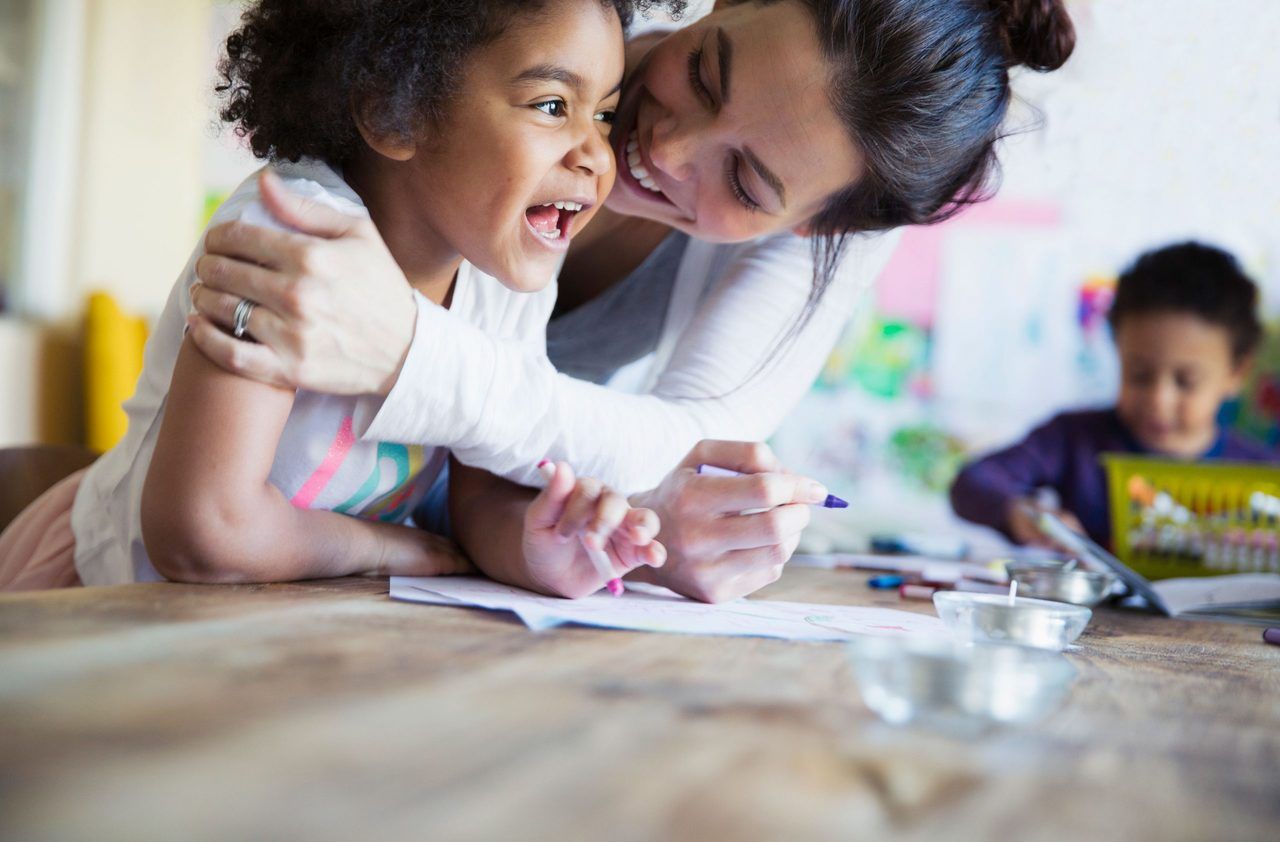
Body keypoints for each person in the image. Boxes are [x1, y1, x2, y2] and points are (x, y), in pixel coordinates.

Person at [186, 0, 1078, 601]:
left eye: (747, 181)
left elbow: (679, 448)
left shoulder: (510, 277)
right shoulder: (529, 34)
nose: (667, 147)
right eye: (704, 74)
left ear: (812, 227)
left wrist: (414, 361)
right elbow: (200, 517)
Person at [0, 0, 675, 591]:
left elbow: (481, 503)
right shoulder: (290, 234)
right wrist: (392, 550)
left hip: (293, 620)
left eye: (606, 114)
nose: (597, 155)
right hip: (113, 599)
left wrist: (540, 550)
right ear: (395, 112)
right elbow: (202, 532)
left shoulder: (508, 276)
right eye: (553, 105)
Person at [950, 241, 1278, 549]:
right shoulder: (1073, 439)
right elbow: (974, 481)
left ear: (1238, 373)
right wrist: (1017, 512)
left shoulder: (1266, 477)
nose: (1158, 400)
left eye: (1186, 381)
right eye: (1139, 374)